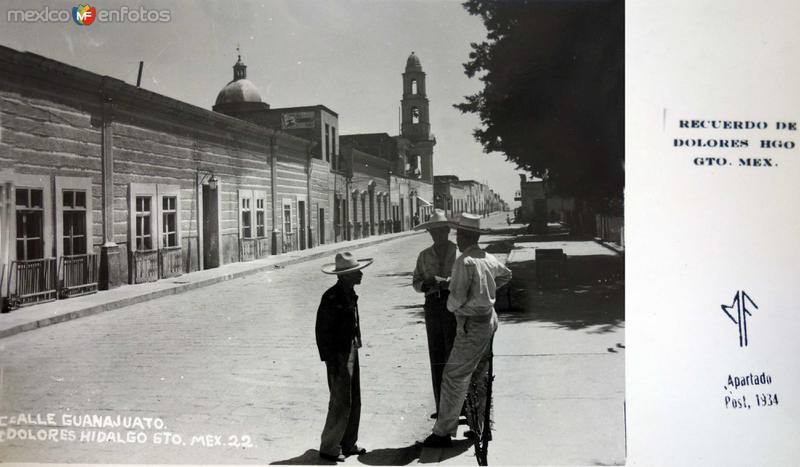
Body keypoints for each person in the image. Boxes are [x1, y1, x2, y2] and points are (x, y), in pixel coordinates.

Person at [423, 213, 512, 447]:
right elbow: (506, 275)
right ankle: (482, 425)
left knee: (453, 377)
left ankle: (442, 433)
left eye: (459, 234)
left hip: (471, 325)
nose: (457, 239)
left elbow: (456, 298)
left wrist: (453, 305)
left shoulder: (464, 261)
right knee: (481, 374)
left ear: (464, 236)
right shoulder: (488, 258)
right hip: (488, 320)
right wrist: (487, 293)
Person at [316, 252, 374, 462]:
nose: (360, 274)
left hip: (350, 349)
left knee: (354, 397)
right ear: (345, 276)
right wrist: (332, 359)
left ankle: (348, 442)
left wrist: (356, 342)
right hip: (337, 355)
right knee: (340, 400)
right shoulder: (331, 297)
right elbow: (322, 331)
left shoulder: (350, 293)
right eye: (356, 272)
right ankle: (329, 446)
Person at [412, 209, 458, 419]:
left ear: (448, 230)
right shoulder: (424, 255)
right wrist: (425, 284)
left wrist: (448, 283)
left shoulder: (459, 252)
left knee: (454, 354)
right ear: (430, 233)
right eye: (434, 232)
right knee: (436, 354)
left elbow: (466, 278)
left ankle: (459, 405)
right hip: (432, 305)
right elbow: (416, 281)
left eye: (441, 231)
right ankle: (441, 406)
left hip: (453, 305)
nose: (437, 235)